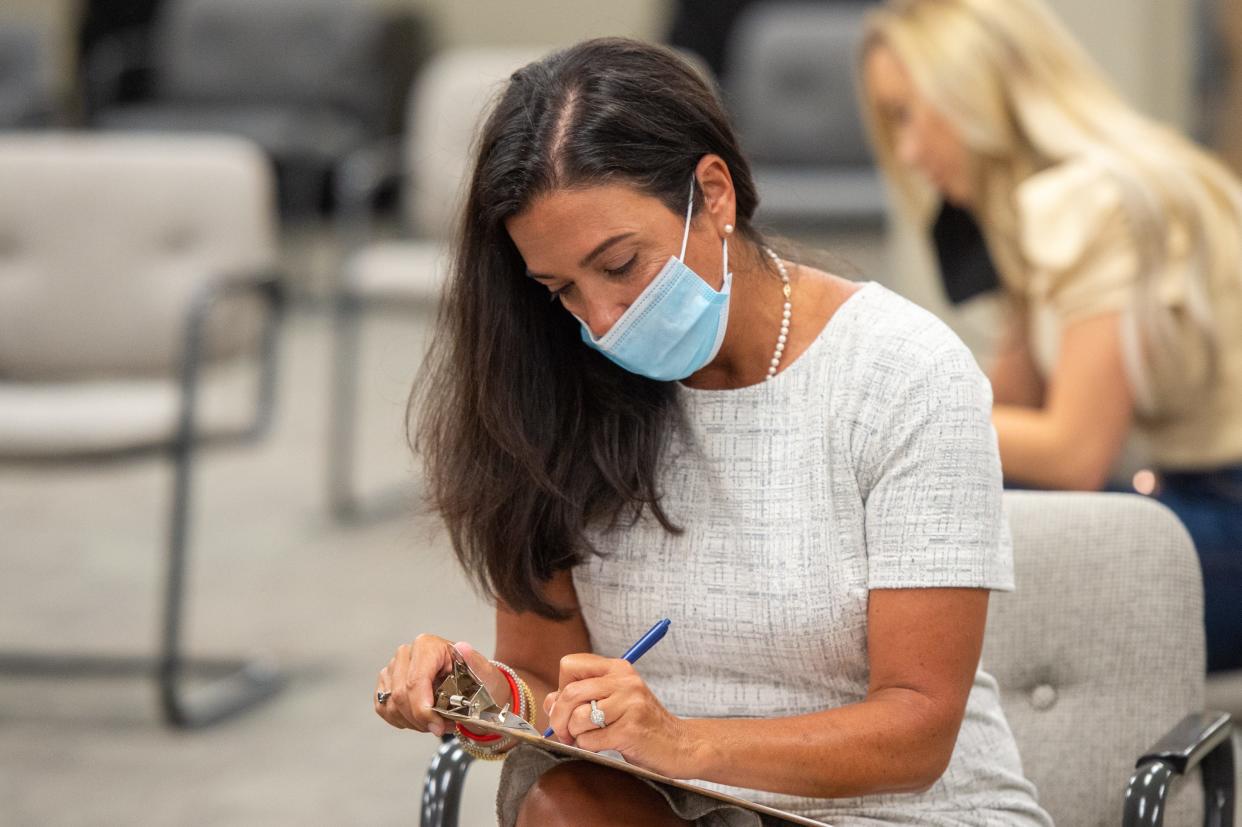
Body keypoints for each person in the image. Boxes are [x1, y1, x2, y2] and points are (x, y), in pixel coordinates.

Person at [374, 38, 1052, 826]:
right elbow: (546, 680)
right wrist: (481, 691)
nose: (600, 319)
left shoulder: (902, 372)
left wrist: (683, 742)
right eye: (559, 288)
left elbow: (918, 731)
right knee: (556, 797)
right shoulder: (555, 386)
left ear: (716, 192)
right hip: (671, 807)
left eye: (622, 265)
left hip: (906, 811)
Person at [860, 0, 1242, 674]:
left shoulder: (1083, 200)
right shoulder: (1074, 190)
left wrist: (885, 413)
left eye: (908, 114)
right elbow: (1004, 399)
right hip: (1204, 501)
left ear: (978, 93)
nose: (910, 153)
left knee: (928, 568)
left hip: (1223, 510)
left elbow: (1072, 452)